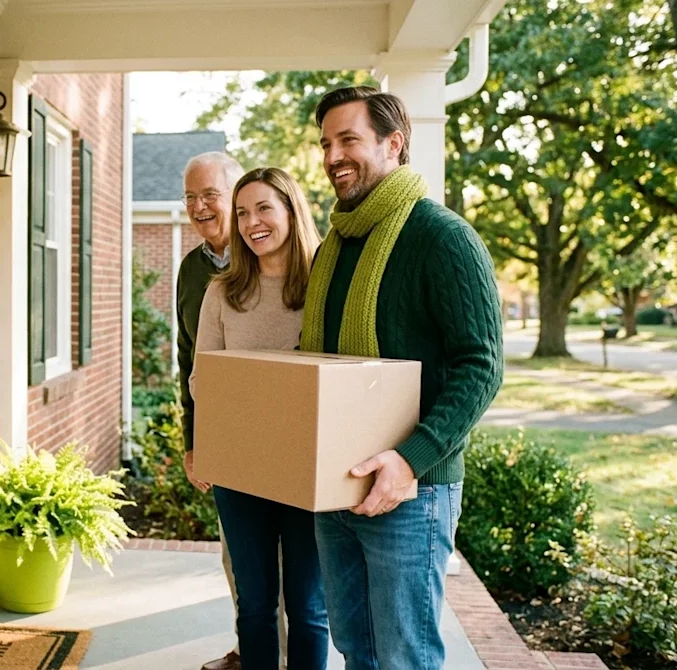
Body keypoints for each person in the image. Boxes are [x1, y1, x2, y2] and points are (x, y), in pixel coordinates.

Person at [302, 86, 503, 670]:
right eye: (326, 143)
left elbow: (482, 365)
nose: (334, 155)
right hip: (337, 486)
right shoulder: (334, 249)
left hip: (412, 490)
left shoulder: (442, 238)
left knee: (404, 658)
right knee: (357, 649)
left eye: (349, 140)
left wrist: (410, 458)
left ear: (394, 144)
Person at [191, 167, 328, 670]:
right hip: (241, 469)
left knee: (309, 609)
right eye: (242, 212)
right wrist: (209, 444)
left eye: (264, 208)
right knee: (254, 607)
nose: (251, 223)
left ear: (292, 209)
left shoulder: (326, 286)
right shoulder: (223, 292)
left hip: (307, 469)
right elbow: (202, 379)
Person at [175, 151, 264, 670]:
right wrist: (193, 441)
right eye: (190, 197)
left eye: (210, 194)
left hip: (278, 430)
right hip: (225, 438)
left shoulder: (269, 255)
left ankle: (282, 657)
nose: (200, 207)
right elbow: (188, 361)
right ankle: (253, 650)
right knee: (239, 558)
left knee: (286, 563)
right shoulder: (192, 270)